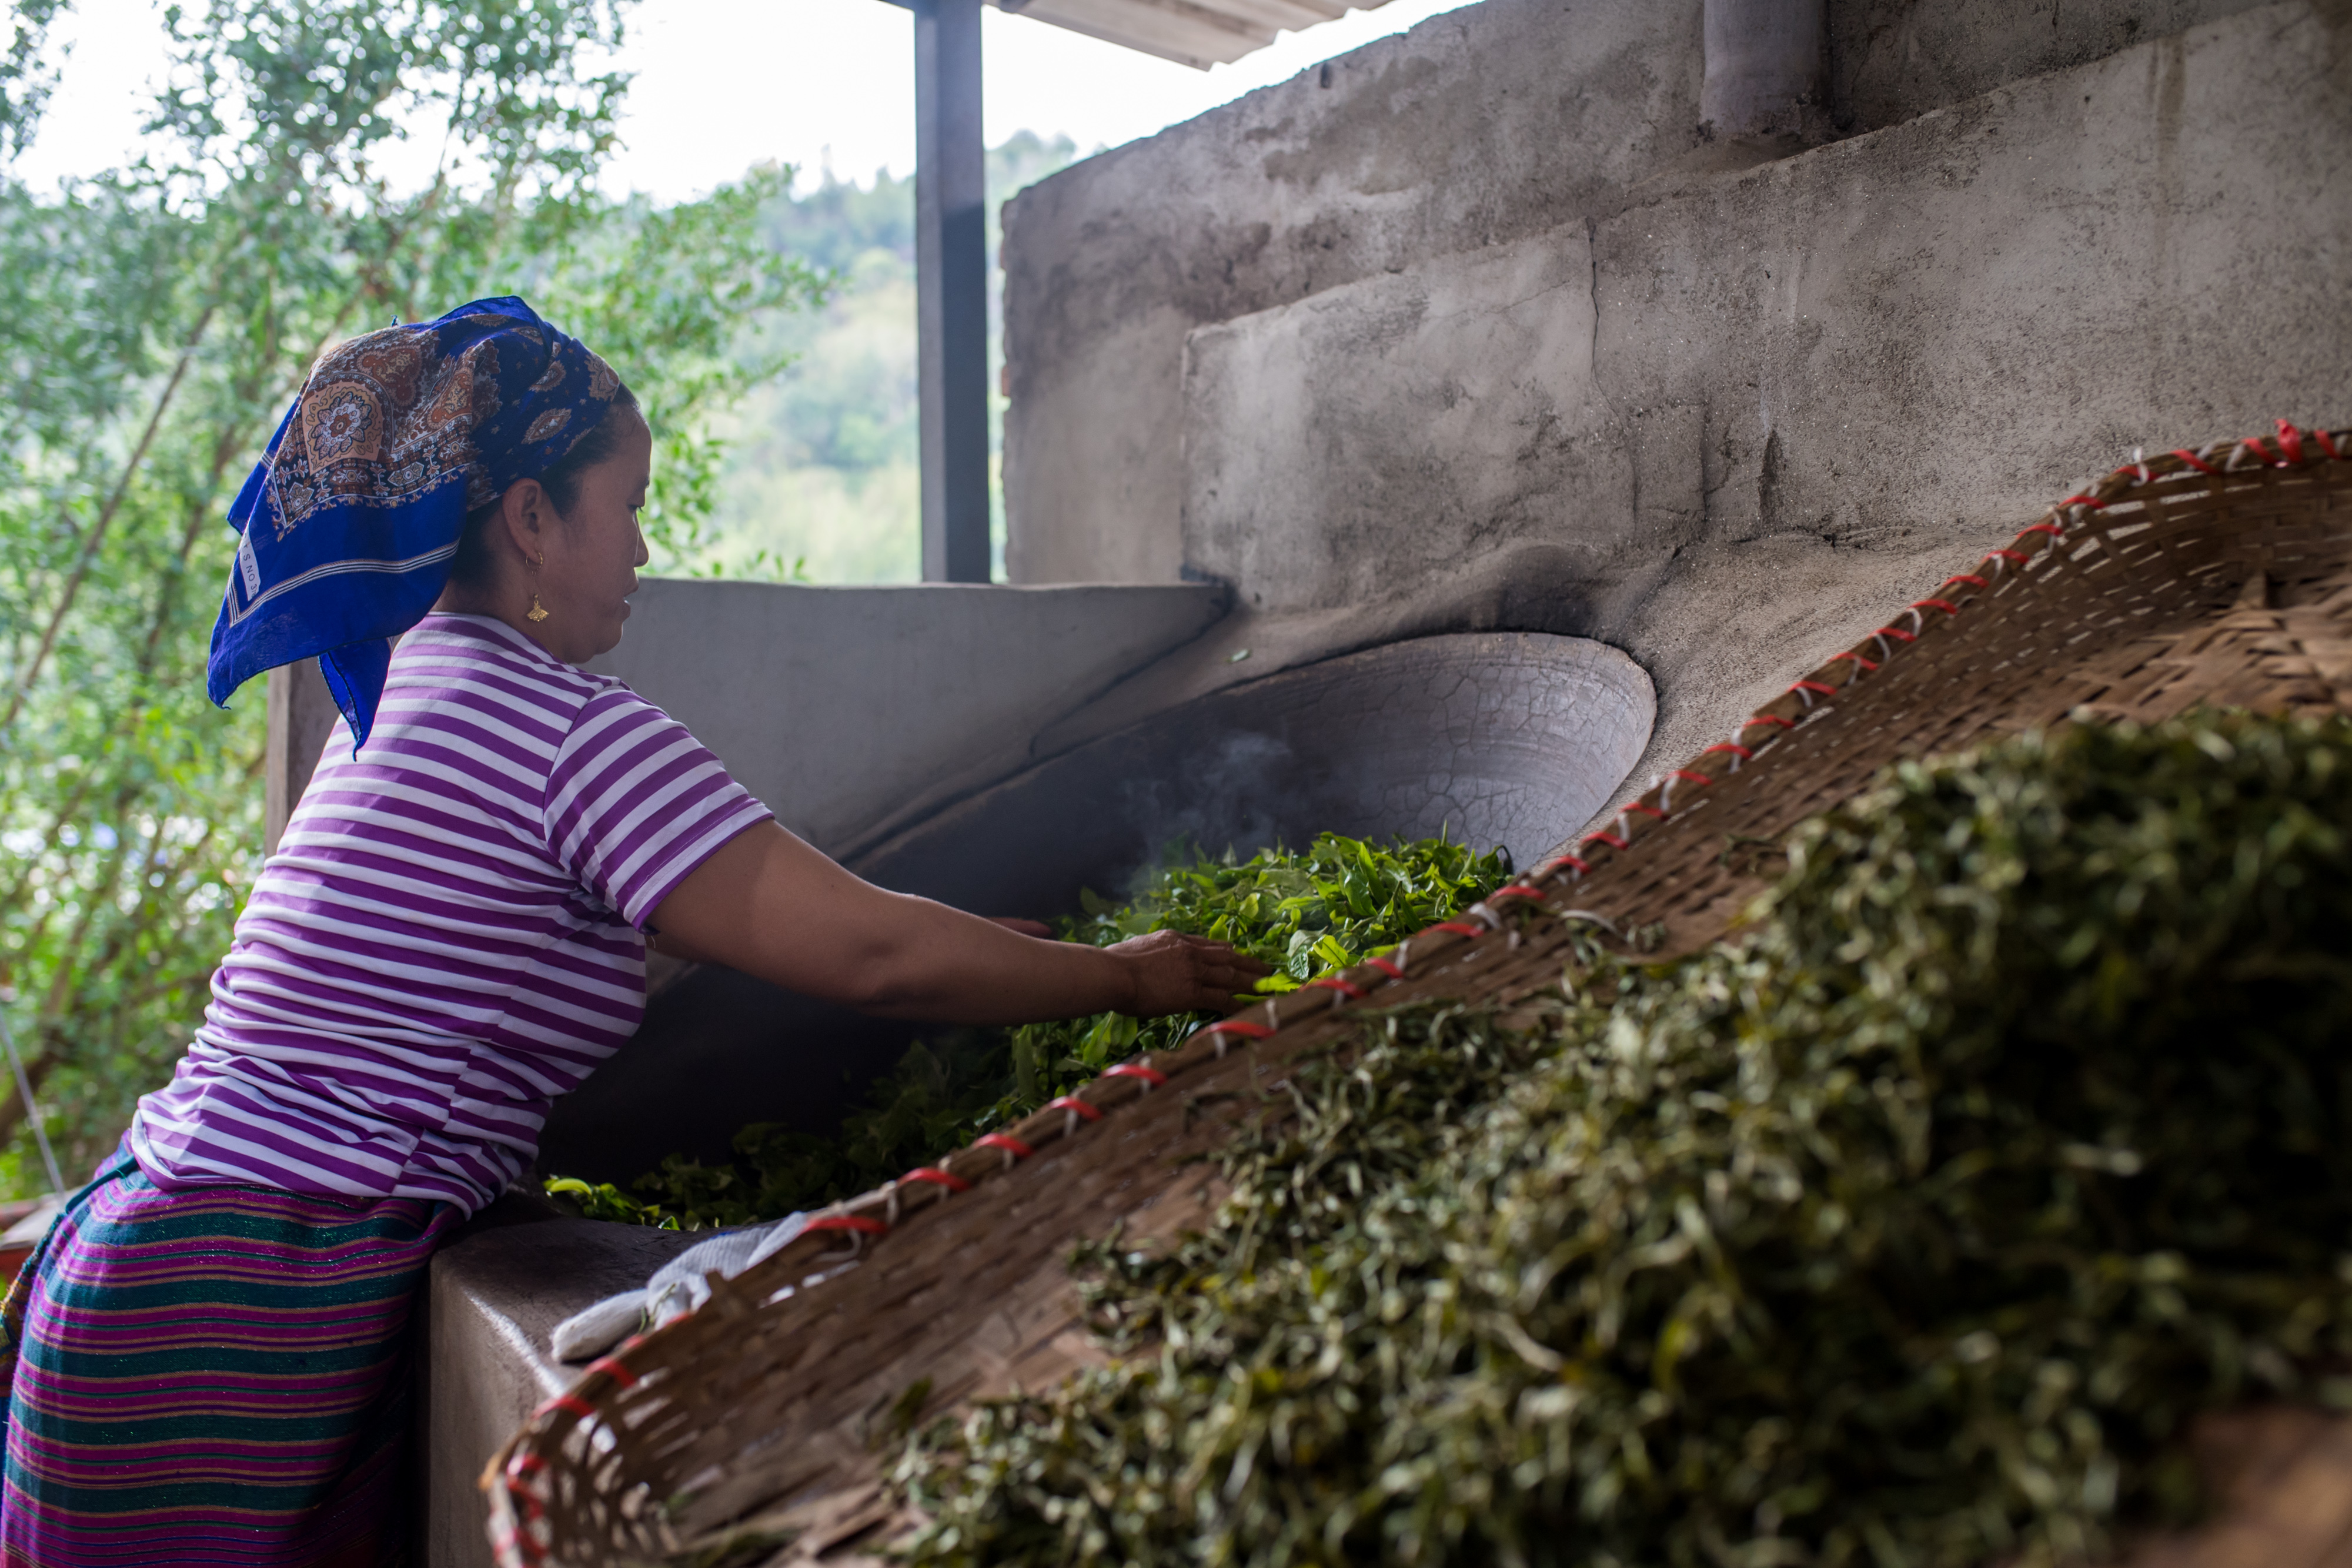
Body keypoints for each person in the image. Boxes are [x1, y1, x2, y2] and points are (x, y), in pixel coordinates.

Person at [0, 297, 1267, 1567]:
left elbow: (747, 928)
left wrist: (973, 944)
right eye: (628, 503)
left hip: (139, 1254)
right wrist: (1131, 974)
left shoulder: (405, 686)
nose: (644, 548)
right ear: (533, 520)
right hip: (246, 1301)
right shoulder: (568, 733)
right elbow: (871, 954)